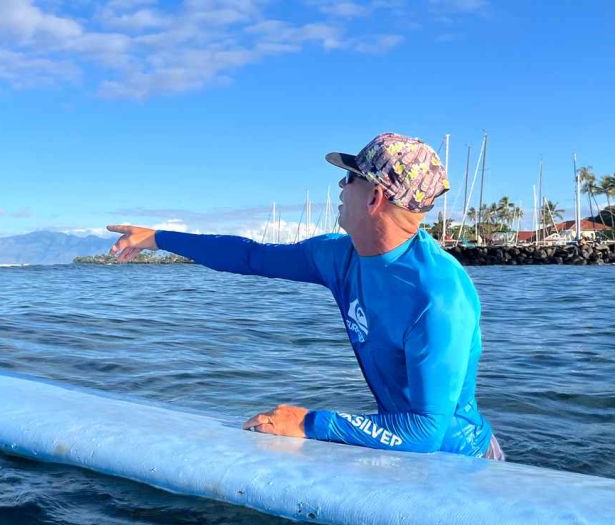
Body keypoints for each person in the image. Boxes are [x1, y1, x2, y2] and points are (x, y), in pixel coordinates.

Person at [108, 132, 503, 460]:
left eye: (349, 177)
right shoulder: (338, 256)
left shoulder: (438, 296)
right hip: (399, 447)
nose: (340, 186)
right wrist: (158, 238)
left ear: (375, 197)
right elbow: (250, 256)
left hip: (464, 462)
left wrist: (308, 422)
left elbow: (425, 431)